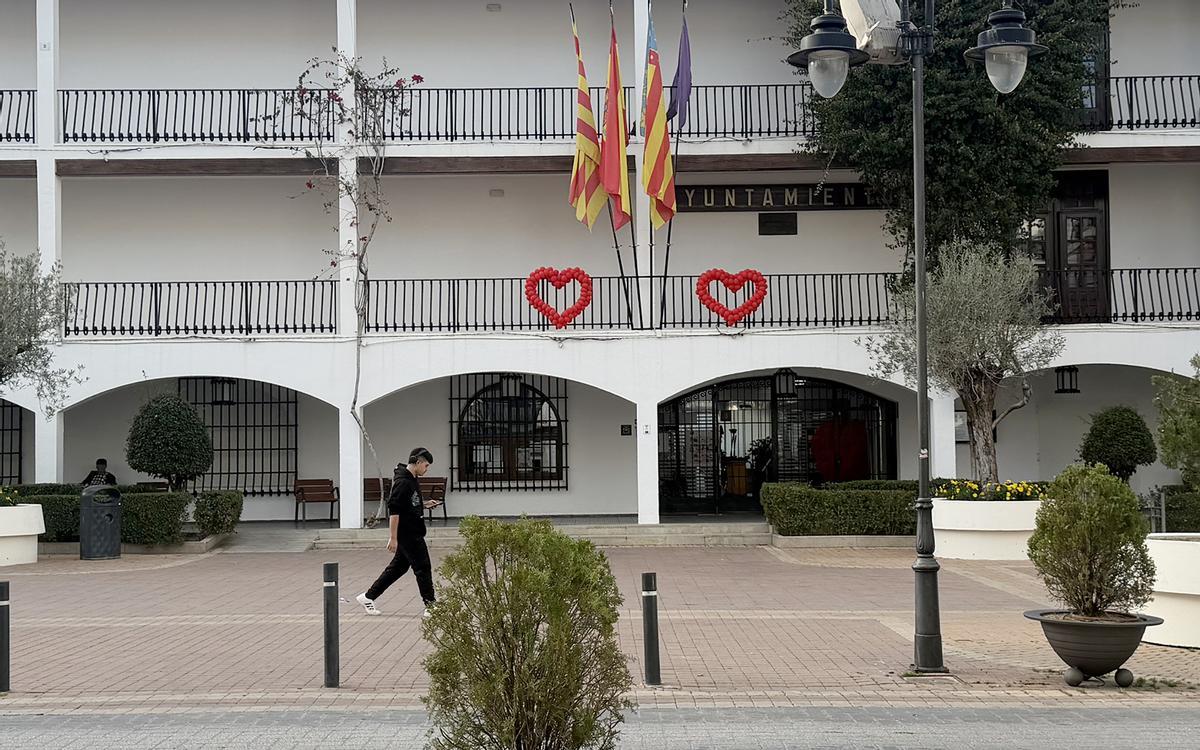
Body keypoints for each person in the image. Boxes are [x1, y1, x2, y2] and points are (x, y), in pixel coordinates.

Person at [356, 447, 442, 617]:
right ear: (417, 462)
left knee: (398, 568)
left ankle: (368, 596)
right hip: (408, 533)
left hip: (412, 531)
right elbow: (394, 510)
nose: (427, 469)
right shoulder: (403, 482)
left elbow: (408, 504)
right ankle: (430, 605)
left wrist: (424, 504)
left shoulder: (412, 478)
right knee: (423, 567)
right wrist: (393, 538)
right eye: (426, 465)